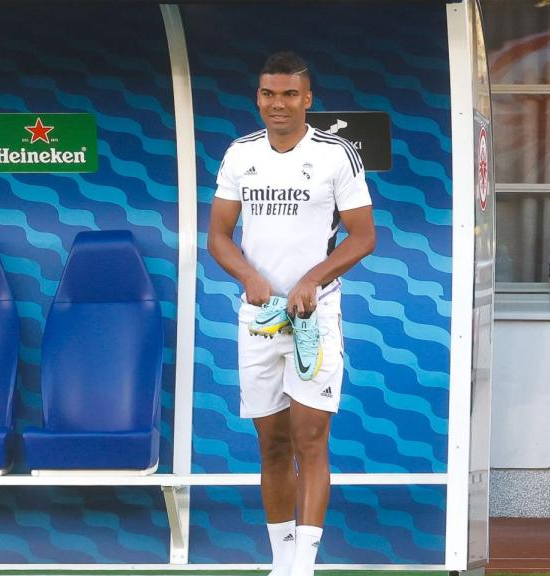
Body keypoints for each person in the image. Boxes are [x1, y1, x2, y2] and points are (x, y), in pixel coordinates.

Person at [207, 52, 376, 576]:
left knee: (310, 438)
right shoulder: (240, 154)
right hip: (259, 318)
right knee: (272, 444)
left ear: (307, 100)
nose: (277, 104)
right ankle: (281, 561)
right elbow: (217, 236)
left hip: (315, 317)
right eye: (267, 93)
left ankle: (303, 564)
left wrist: (311, 280)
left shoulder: (336, 154)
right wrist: (251, 280)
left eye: (288, 94)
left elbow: (364, 235)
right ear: (258, 97)